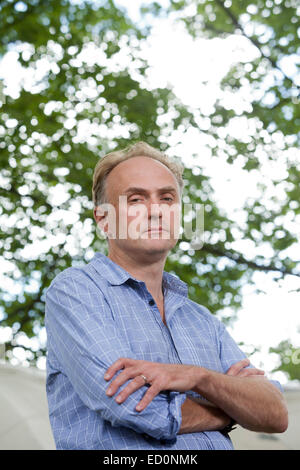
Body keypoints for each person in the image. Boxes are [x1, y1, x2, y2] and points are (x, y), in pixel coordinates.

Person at [45, 141, 288, 450]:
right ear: (104, 219)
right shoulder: (76, 291)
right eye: (136, 199)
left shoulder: (202, 321)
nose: (155, 211)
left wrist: (199, 377)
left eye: (167, 198)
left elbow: (275, 414)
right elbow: (131, 405)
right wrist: (231, 408)